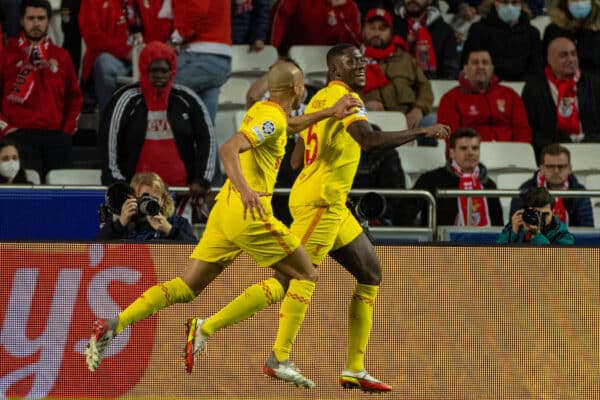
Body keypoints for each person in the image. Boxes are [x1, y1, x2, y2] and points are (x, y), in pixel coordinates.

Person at [191, 43, 450, 393]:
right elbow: (369, 141)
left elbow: (296, 160)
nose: (359, 64)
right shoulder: (347, 100)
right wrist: (420, 132)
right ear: (335, 70)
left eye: (361, 59)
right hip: (321, 202)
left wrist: (329, 154)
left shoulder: (319, 100)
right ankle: (224, 334)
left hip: (330, 201)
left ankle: (354, 368)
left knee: (370, 273)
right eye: (350, 61)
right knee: (291, 279)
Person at [85, 61, 362, 389]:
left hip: (223, 212)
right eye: (303, 84)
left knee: (186, 288)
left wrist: (330, 111)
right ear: (297, 89)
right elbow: (230, 148)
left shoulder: (265, 110)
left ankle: (115, 323)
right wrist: (247, 190)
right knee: (305, 274)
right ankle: (271, 356)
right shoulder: (271, 118)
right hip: (249, 213)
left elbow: (288, 124)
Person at [99, 41, 215, 204]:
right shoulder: (125, 100)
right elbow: (108, 142)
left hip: (180, 195)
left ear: (172, 71)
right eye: (154, 70)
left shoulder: (188, 99)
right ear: (144, 70)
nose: (159, 75)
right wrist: (117, 185)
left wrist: (202, 179)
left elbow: (207, 139)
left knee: (178, 230)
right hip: (134, 196)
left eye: (164, 70)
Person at [0, 0, 82, 182]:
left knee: (62, 197)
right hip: (19, 136)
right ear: (21, 20)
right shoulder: (6, 55)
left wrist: (67, 130)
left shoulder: (62, 56)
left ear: (48, 20)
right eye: (31, 18)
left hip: (57, 136)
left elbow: (74, 97)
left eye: (41, 18)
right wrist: (6, 129)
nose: (36, 23)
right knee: (27, 198)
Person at [79, 0, 172, 112]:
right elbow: (93, 37)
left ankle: (156, 118)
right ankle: (110, 120)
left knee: (168, 62)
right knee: (104, 63)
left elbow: (161, 33)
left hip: (143, 57)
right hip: (114, 60)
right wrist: (126, 51)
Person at [404, 127, 504, 226]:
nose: (470, 153)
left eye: (475, 148)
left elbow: (498, 226)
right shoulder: (431, 180)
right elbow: (404, 214)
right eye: (464, 148)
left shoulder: (489, 185)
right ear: (452, 152)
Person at [521, 37, 600, 160]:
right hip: (550, 153)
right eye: (563, 55)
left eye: (573, 54)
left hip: (592, 149)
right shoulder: (534, 89)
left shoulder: (594, 84)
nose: (570, 59)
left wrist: (587, 142)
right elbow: (532, 130)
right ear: (549, 60)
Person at [359, 8, 434, 130]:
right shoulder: (350, 61)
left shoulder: (405, 59)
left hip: (407, 119)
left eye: (382, 28)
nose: (377, 33)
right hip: (369, 120)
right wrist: (362, 105)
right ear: (362, 30)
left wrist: (418, 109)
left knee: (435, 123)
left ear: (391, 32)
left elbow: (424, 87)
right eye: (372, 28)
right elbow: (338, 95)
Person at [437, 48, 532, 144]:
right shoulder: (450, 99)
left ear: (492, 68)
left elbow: (522, 131)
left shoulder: (510, 95)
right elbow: (448, 139)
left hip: (508, 154)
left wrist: (518, 153)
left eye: (485, 62)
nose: (480, 66)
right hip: (470, 155)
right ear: (465, 69)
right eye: (475, 63)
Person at [169, 0, 232, 127]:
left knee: (158, 90)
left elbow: (197, 10)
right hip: (221, 57)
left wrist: (175, 39)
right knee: (206, 128)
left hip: (199, 53)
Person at [509, 143, 594, 227]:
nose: (556, 171)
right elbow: (514, 229)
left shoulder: (580, 192)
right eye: (550, 166)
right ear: (541, 169)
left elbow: (587, 230)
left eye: (561, 166)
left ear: (570, 169)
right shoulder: (525, 190)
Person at [96, 172, 197, 242]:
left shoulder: (177, 222)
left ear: (162, 200)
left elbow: (195, 252)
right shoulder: (122, 223)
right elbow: (96, 251)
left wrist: (170, 231)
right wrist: (120, 224)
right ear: (132, 198)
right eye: (143, 199)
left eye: (154, 199)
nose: (148, 204)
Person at [462, 0, 543, 81]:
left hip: (524, 87)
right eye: (504, 2)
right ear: (494, 3)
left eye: (514, 3)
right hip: (488, 86)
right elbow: (469, 65)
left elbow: (536, 68)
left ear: (521, 4)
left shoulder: (532, 33)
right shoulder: (478, 31)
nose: (510, 7)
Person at [392, 0, 460, 79]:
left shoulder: (444, 30)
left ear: (430, 1)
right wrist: (407, 45)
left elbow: (451, 71)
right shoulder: (389, 26)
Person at [269, 0, 362, 56]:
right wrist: (274, 52)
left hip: (329, 65)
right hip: (290, 60)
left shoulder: (350, 7)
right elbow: (278, 20)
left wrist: (340, 11)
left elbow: (354, 44)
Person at [497, 186, 575, 244]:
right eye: (536, 213)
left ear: (553, 212)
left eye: (545, 214)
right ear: (525, 212)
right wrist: (512, 233)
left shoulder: (563, 235)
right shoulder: (516, 228)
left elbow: (552, 263)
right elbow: (499, 259)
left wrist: (536, 234)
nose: (540, 219)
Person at [543, 0, 600, 78]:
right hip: (564, 84)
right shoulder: (554, 30)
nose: (579, 3)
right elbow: (548, 64)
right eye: (574, 0)